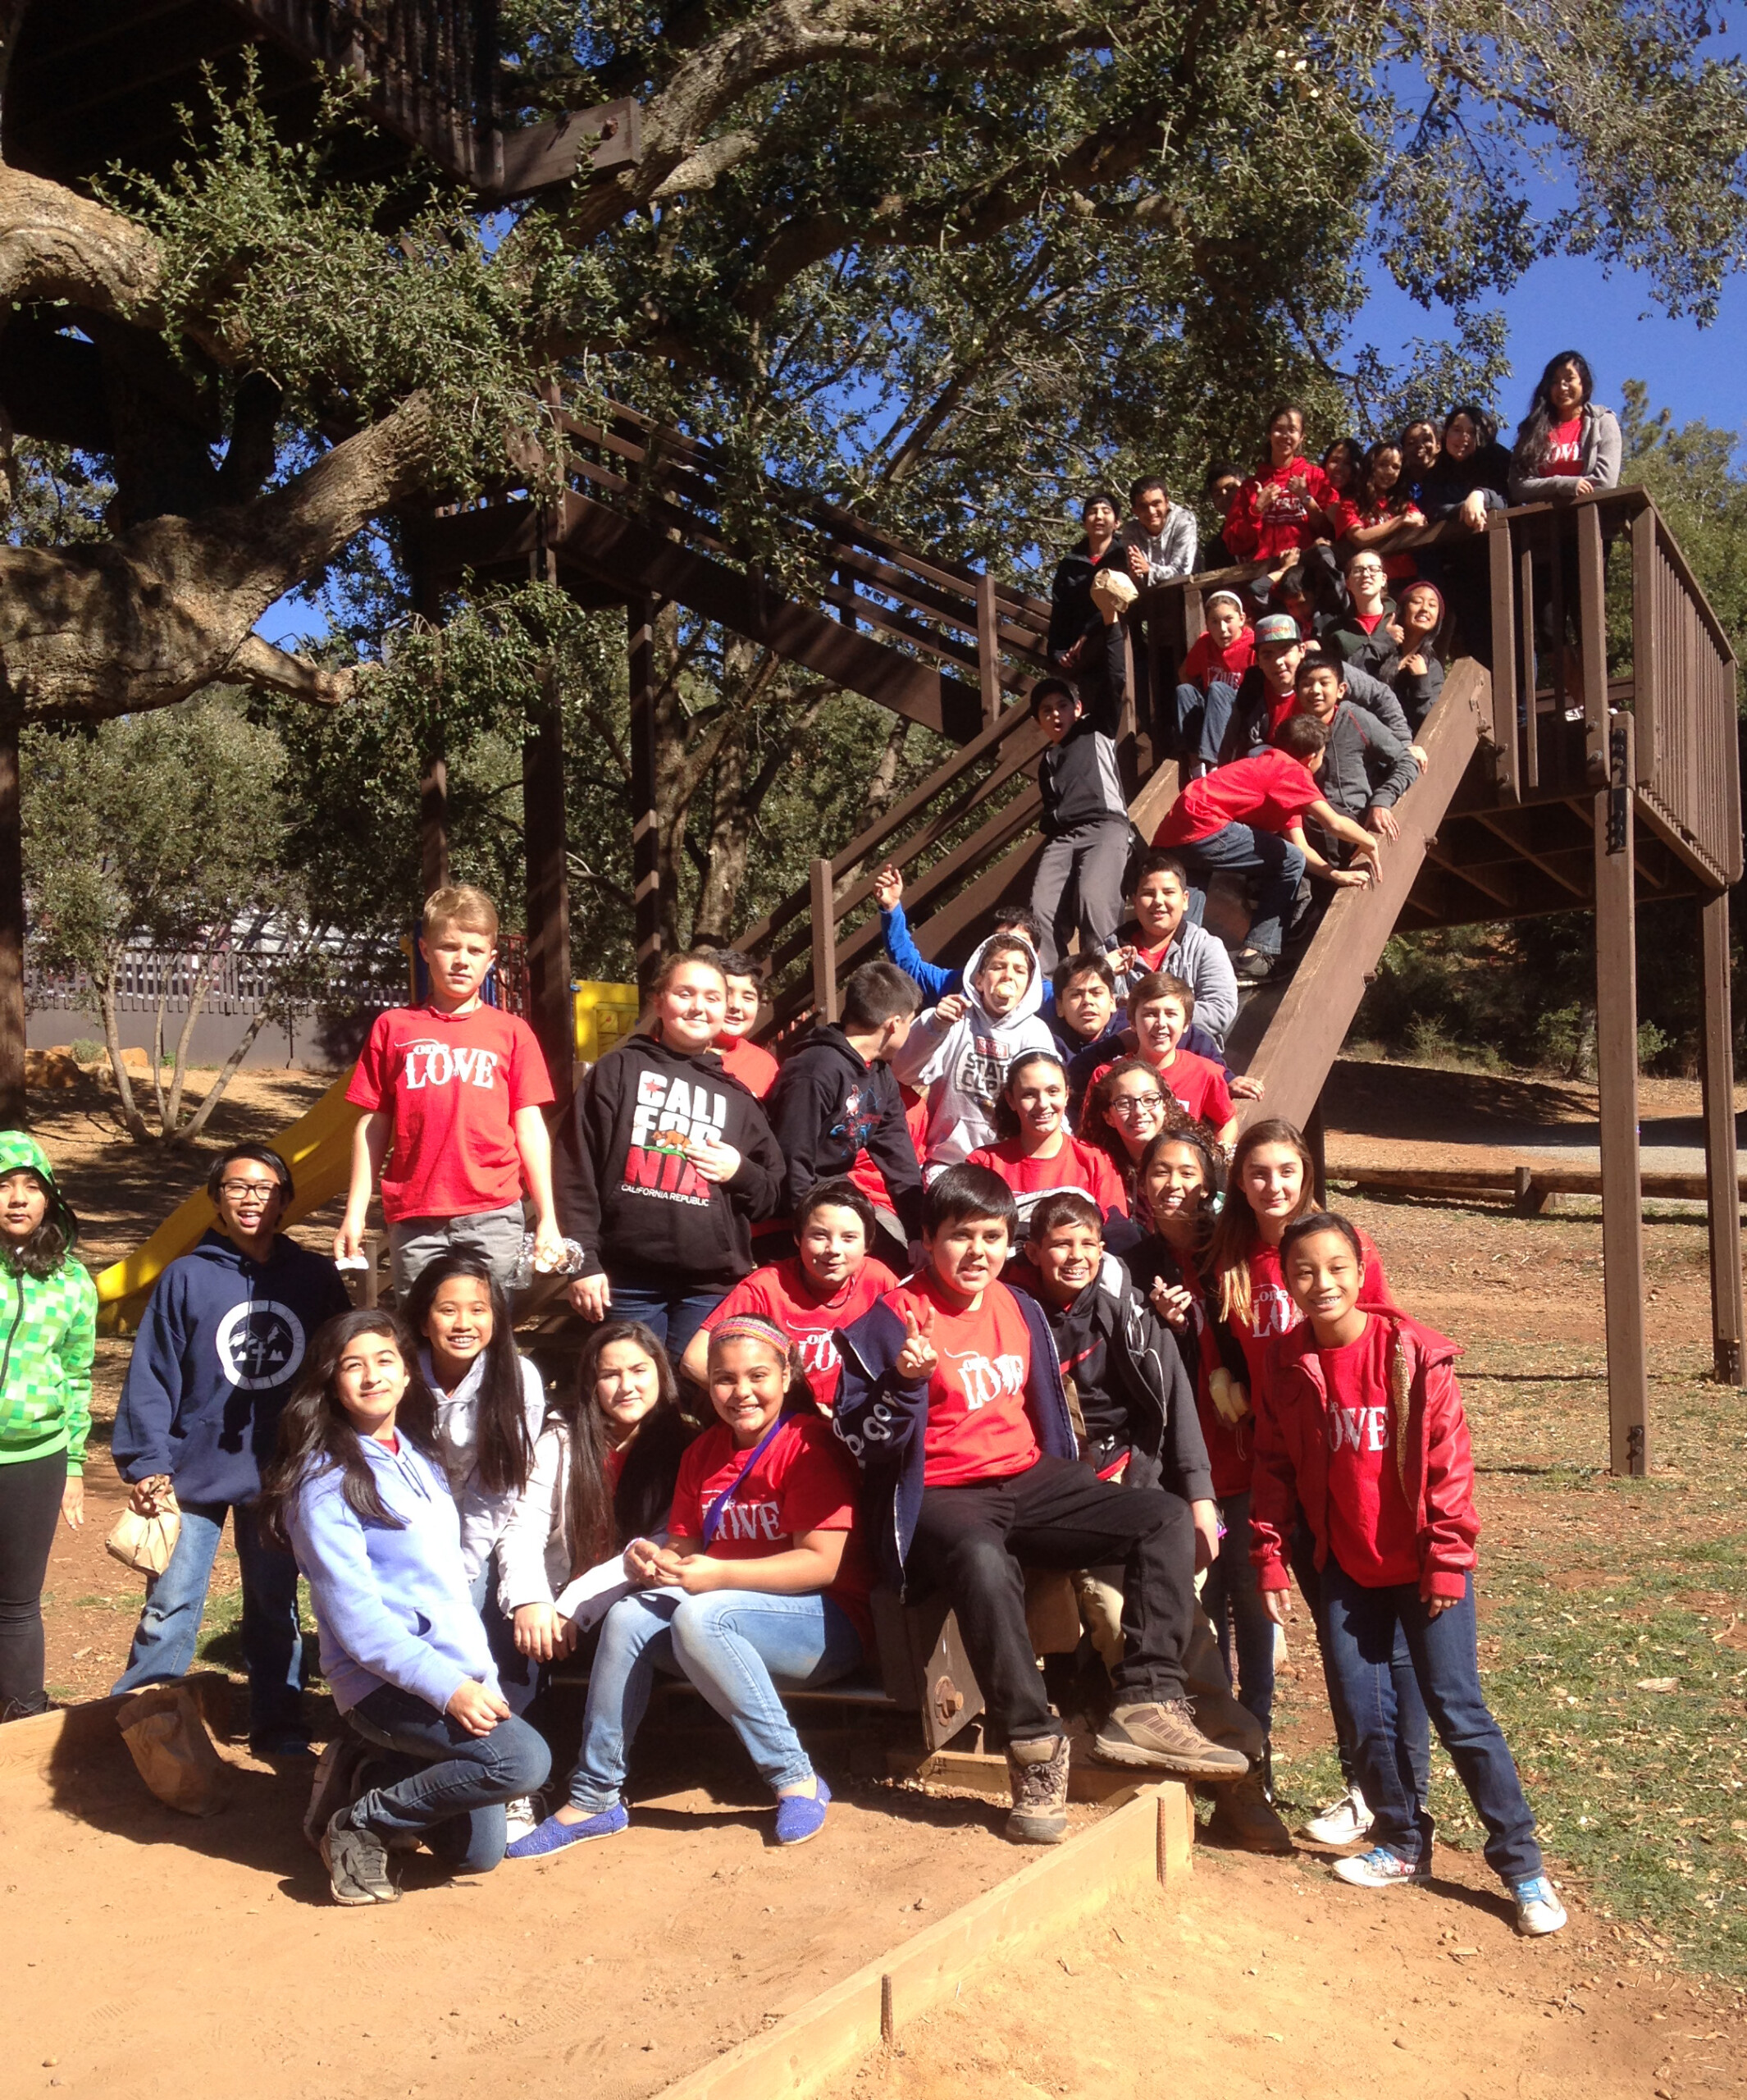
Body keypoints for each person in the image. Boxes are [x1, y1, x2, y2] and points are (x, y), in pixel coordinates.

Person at [835, 1166, 1248, 1846]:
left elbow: (1045, 1414)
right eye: (959, 1236)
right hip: (941, 1493)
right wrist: (907, 1384)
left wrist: (1076, 1485)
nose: (977, 1252)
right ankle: (1033, 1747)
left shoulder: (1019, 1308)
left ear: (1009, 1242)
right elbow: (859, 1440)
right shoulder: (890, 1320)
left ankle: (1146, 1699)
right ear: (927, 1241)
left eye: (992, 1237)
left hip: (1027, 1477)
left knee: (1162, 1516)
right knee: (980, 1557)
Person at [1254, 1212, 1567, 1936]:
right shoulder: (1289, 1363)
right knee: (1364, 1718)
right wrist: (1269, 1555)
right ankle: (1401, 1842)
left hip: (1427, 1568)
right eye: (1304, 1271)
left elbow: (1449, 1469)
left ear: (1362, 1272)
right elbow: (1274, 1469)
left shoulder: (1412, 1354)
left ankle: (1522, 1868)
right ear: (1288, 1281)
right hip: (1348, 1570)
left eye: (1336, 1267)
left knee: (1459, 1713)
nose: (1321, 1283)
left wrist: (1448, 1561)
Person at [509, 1316, 871, 1856]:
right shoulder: (704, 1452)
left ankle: (795, 1777)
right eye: (724, 1379)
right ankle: (596, 1795)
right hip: (723, 1619)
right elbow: (684, 1546)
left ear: (786, 1373)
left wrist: (716, 1575)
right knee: (630, 1616)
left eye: (757, 1376)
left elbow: (822, 1564)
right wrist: (653, 1558)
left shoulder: (808, 1445)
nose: (741, 1392)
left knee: (702, 1616)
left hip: (821, 1623)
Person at [1024, 1185, 1293, 1853]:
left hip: (1133, 1497)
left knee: (1177, 1628)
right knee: (1110, 1616)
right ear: (1032, 1251)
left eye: (1089, 1243)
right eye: (1060, 1244)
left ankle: (1238, 1785)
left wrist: (1199, 1498)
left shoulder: (1128, 1316)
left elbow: (1176, 1408)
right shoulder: (1014, 1317)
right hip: (1051, 1502)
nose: (1077, 1256)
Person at [265, 1310, 552, 1903]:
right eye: (353, 1365)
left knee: (476, 1855)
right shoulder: (322, 1483)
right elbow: (359, 1625)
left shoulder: (416, 1459)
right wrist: (449, 1689)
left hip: (449, 1671)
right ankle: (360, 1822)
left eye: (384, 1361)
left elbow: (445, 1587)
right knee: (522, 1761)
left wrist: (480, 1678)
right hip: (380, 1681)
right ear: (332, 1382)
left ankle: (369, 1770)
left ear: (405, 1376)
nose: (371, 1377)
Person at [1205, 1120, 1426, 1847]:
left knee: (1372, 1639)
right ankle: (1369, 1782)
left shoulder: (1335, 1247)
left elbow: (1387, 1341)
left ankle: (1383, 1789)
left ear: (1306, 1172)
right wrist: (1224, 1380)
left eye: (1286, 1170)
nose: (1274, 1184)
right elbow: (1221, 1343)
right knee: (1340, 1636)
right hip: (1279, 1465)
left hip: (1344, 1461)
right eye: (1258, 1172)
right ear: (1240, 1182)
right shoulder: (1231, 1259)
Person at [111, 1143, 350, 1755]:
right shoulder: (186, 1276)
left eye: (266, 1187)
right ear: (216, 1198)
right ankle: (143, 1722)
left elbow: (340, 1367)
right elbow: (153, 1373)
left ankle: (279, 1722)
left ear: (285, 1201)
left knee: (274, 1604)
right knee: (171, 1602)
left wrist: (333, 1450)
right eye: (238, 1186)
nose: (251, 1198)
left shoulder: (313, 1278)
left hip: (280, 1470)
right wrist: (147, 1460)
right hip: (190, 1471)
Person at [1126, 1131, 1278, 1787]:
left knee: (1252, 1605)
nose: (1173, 1183)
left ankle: (1257, 1755)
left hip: (1241, 1456)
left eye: (1187, 1170)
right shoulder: (1131, 1260)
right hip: (1179, 1466)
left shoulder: (1232, 1252)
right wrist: (1161, 1325)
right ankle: (1205, 1752)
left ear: (1210, 1178)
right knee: (1200, 1608)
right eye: (1159, 1171)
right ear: (1142, 1184)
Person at [554, 950, 785, 1358]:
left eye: (713, 998)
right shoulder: (617, 1071)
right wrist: (582, 1262)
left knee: (697, 1395)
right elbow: (575, 1172)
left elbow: (773, 1192)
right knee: (632, 1394)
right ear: (658, 1001)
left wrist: (739, 1171)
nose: (699, 1006)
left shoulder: (738, 1097)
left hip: (708, 1287)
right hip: (624, 1281)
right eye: (685, 993)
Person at [339, 885, 562, 1295]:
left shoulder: (512, 1033)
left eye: (475, 950)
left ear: (491, 959)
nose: (462, 960)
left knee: (491, 1329)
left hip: (495, 1213)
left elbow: (530, 1128)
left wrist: (548, 1216)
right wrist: (354, 1214)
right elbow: (373, 1125)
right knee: (422, 1331)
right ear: (424, 950)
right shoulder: (394, 1027)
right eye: (449, 947)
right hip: (415, 1214)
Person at [496, 1322, 697, 1684]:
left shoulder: (686, 1447)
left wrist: (577, 1604)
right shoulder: (562, 1437)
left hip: (631, 1597)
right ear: (592, 1384)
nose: (627, 1387)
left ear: (660, 1372)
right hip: (554, 1600)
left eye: (639, 1371)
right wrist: (531, 1599)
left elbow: (665, 1541)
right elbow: (524, 1526)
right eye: (610, 1375)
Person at [400, 1253, 545, 1728]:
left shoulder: (516, 1378)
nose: (464, 1323)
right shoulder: (397, 1376)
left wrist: (460, 1569)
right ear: (424, 1319)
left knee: (471, 1608)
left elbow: (498, 1488)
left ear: (497, 1316)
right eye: (448, 1310)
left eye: (478, 1309)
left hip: (483, 1527)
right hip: (409, 1529)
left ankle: (498, 1724)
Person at [1153, 714, 1383, 982]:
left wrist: (1335, 875)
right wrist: (1370, 842)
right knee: (1288, 859)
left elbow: (1301, 848)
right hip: (1204, 824)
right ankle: (1255, 954)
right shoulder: (1291, 772)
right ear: (1312, 757)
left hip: (1175, 834)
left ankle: (1176, 976)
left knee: (1188, 909)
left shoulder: (1271, 771)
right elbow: (1333, 822)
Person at [0, 1133, 96, 1726]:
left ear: (51, 1200)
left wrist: (76, 1467)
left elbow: (79, 1376)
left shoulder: (71, 1283)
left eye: (31, 1187)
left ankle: (23, 1720)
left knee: (16, 1603)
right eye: (4, 1186)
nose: (16, 1200)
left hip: (37, 1457)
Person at [682, 1180, 900, 1410]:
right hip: (786, 1418)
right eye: (819, 1235)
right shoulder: (766, 1287)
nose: (834, 1249)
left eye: (849, 1238)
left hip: (855, 1413)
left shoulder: (878, 1278)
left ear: (868, 1244)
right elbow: (693, 1361)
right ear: (798, 1238)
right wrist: (772, 1407)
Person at [763, 959, 924, 1262]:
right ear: (895, 1024)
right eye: (911, 1022)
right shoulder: (814, 1069)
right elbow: (791, 1161)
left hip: (837, 1202)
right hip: (791, 1218)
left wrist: (917, 1233)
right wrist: (809, 1232)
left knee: (897, 1264)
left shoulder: (880, 1075)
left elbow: (899, 1157)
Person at [889, 931, 1056, 1176]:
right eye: (998, 967)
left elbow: (1052, 1100)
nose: (1008, 975)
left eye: (1019, 970)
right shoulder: (950, 1019)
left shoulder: (1036, 1033)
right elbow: (903, 1072)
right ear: (979, 979)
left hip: (1012, 1165)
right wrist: (934, 1026)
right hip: (949, 1162)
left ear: (1029, 985)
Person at [966, 1048, 1132, 1239]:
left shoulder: (1096, 1161)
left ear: (1067, 1095)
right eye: (1029, 1094)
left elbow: (1117, 1237)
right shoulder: (984, 1164)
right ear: (1011, 1100)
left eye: (1053, 1091)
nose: (1043, 1103)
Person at [1028, 675, 1131, 976]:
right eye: (1046, 711)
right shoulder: (1047, 760)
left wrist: (1111, 629)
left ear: (1078, 708)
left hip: (1105, 826)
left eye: (1062, 705)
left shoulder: (1097, 729)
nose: (1055, 714)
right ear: (1039, 721)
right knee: (1041, 908)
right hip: (1063, 839)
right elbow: (1051, 810)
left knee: (1093, 900)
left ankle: (1105, 982)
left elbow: (1113, 679)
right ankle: (1051, 986)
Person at [871, 867, 1049, 1013]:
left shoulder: (1051, 1000)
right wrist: (891, 907)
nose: (1011, 951)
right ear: (986, 949)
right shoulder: (959, 984)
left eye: (1021, 944)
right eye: (1002, 941)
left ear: (1036, 955)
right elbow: (910, 967)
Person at [1109, 851, 1238, 1049]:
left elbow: (1220, 1011)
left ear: (1185, 899)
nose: (1158, 901)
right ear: (1134, 901)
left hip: (1191, 1058)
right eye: (1148, 893)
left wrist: (1146, 1010)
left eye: (1168, 892)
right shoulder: (1109, 951)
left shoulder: (1205, 947)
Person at [1290, 654, 1419, 852]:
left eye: (1324, 683)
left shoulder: (1355, 719)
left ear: (1341, 689)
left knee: (1315, 816)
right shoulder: (1294, 732)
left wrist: (1383, 800)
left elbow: (1406, 761)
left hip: (1352, 821)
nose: (1315, 691)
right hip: (1310, 828)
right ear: (1297, 691)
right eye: (1307, 684)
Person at [1222, 405, 1334, 568]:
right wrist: (1257, 509)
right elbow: (1234, 544)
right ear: (1269, 434)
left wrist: (1306, 498)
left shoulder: (1315, 476)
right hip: (1264, 575)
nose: (1285, 436)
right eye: (1279, 429)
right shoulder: (1251, 486)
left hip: (1309, 572)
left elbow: (1332, 531)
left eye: (1292, 430)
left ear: (1302, 436)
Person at [1080, 1055, 1188, 1210]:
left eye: (1150, 1100)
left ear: (1165, 1107)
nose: (1139, 1111)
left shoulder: (1193, 1158)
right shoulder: (1104, 1171)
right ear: (1109, 1117)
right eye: (1124, 1103)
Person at [1047, 491, 1126, 703]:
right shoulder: (1070, 564)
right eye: (1092, 512)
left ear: (1117, 522)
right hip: (1079, 658)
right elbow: (1060, 609)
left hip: (1117, 643)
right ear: (1084, 522)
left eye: (1105, 511)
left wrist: (1088, 633)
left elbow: (1124, 601)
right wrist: (1058, 650)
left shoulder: (1125, 556)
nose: (1099, 517)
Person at [1173, 589, 1255, 769]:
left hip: (1240, 717)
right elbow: (1184, 672)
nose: (1222, 629)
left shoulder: (1252, 644)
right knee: (1184, 690)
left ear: (1241, 618)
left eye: (1228, 620)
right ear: (1208, 625)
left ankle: (1214, 765)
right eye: (1215, 622)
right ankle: (1195, 764)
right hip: (1212, 718)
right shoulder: (1205, 643)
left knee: (1217, 689)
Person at [1328, 443, 1425, 585]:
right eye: (1383, 464)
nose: (1389, 471)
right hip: (1366, 582)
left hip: (1405, 579)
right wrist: (1400, 521)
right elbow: (1359, 537)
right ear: (1371, 466)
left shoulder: (1404, 504)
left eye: (1396, 467)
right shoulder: (1350, 504)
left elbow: (1419, 522)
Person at [1421, 405, 1512, 533]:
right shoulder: (1435, 474)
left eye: (1472, 432)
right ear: (1445, 433)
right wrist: (1466, 507)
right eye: (1457, 430)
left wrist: (1480, 496)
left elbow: (1506, 501)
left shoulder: (1498, 459)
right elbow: (1435, 511)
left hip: (1501, 543)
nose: (1464, 437)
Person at [707, 948, 778, 1100]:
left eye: (748, 998)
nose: (736, 1006)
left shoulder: (764, 1066)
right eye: (726, 994)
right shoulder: (670, 1051)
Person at [1376, 578, 1447, 731]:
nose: (1424, 609)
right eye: (1417, 602)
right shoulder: (1382, 652)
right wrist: (1383, 640)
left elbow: (1430, 722)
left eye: (1432, 605)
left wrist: (1420, 679)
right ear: (1403, 610)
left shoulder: (1432, 668)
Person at [1118, 474, 1198, 589]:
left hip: (1188, 592)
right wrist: (1135, 575)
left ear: (1167, 502)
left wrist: (1149, 569)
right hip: (1150, 598)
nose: (1151, 511)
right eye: (1143, 507)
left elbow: (1182, 571)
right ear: (1134, 511)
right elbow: (1138, 576)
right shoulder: (1131, 531)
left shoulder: (1184, 520)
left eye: (1156, 504)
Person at [1329, 551, 1401, 675]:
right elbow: (1336, 676)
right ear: (1348, 584)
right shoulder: (1334, 631)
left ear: (1383, 579)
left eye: (1373, 569)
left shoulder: (1402, 619)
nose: (1366, 574)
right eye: (1358, 570)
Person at [1047, 955, 1124, 1066]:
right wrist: (1117, 1045)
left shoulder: (1132, 1028)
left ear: (1112, 1001)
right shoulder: (1050, 1041)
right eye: (1076, 995)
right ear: (1060, 1006)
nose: (1087, 1001)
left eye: (1096, 993)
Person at [1197, 461, 1246, 570]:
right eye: (1218, 494)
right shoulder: (1215, 550)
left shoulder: (1270, 523)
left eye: (1230, 489)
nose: (1225, 495)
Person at [1398, 418, 1440, 508]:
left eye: (1426, 440)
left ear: (1438, 446)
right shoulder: (1396, 487)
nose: (1419, 446)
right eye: (1411, 443)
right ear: (1404, 450)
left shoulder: (1452, 482)